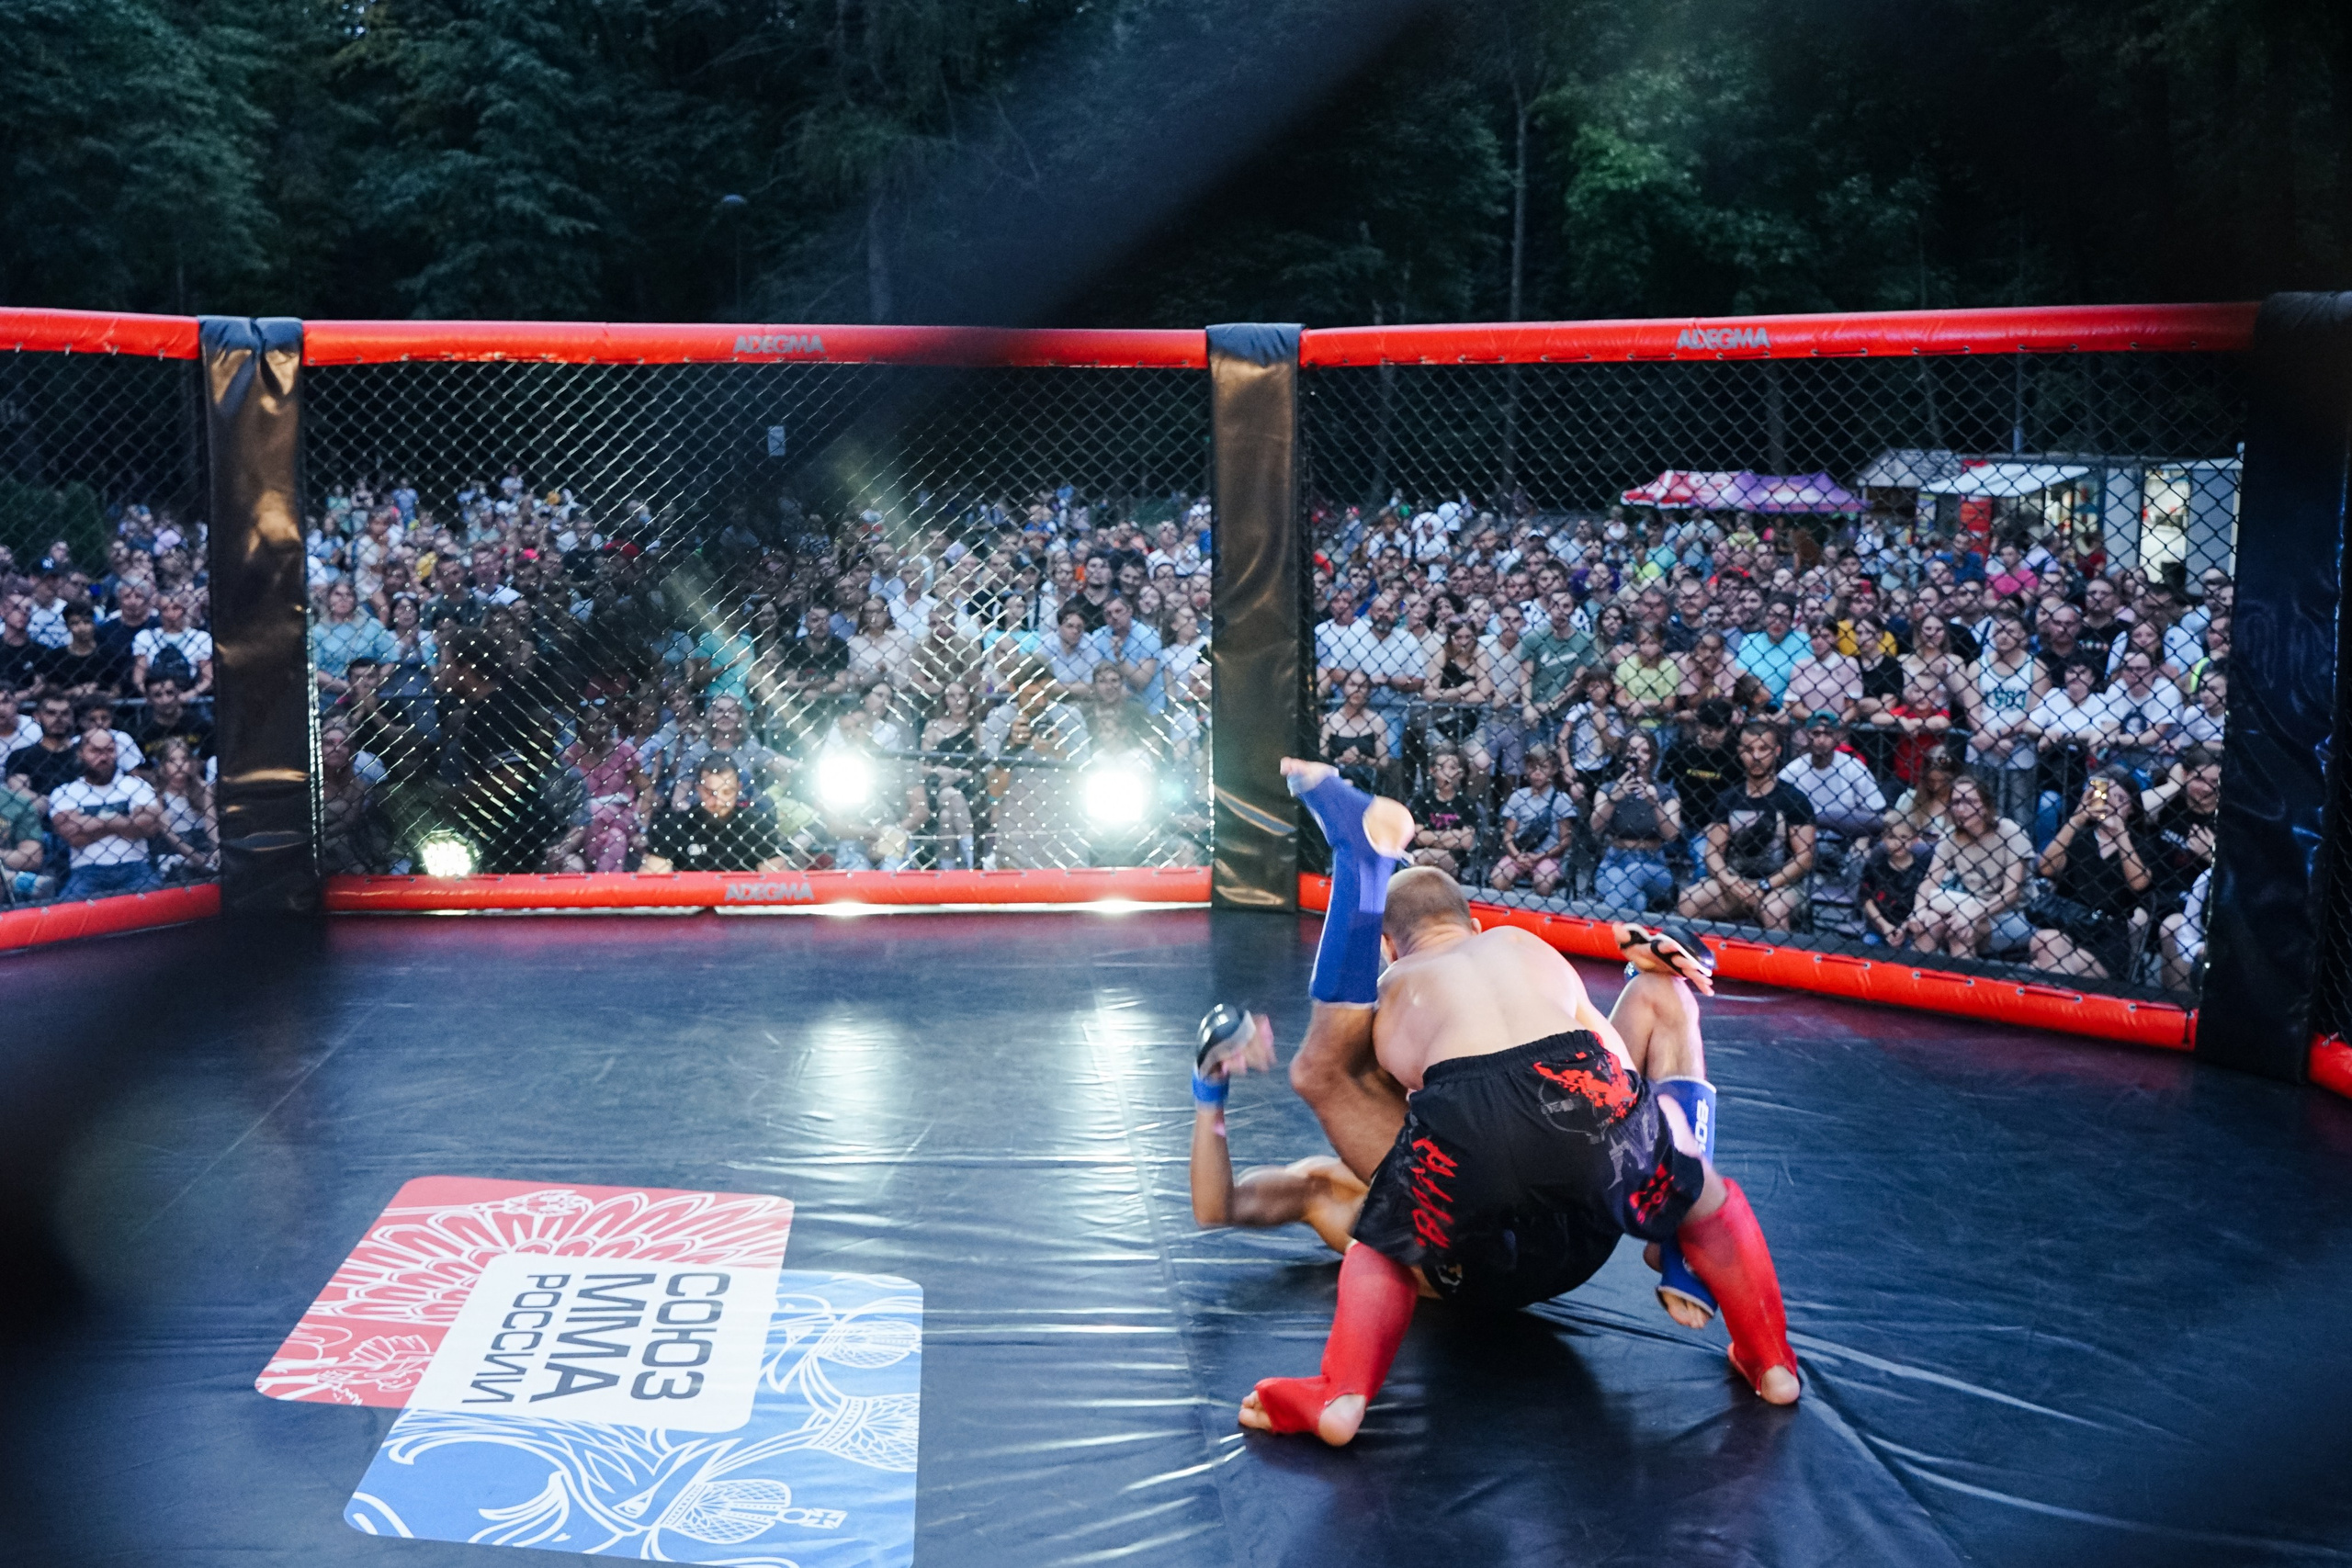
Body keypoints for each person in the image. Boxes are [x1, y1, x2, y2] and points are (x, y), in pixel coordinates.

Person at [1225, 766, 1795, 1446]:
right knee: (1706, 1190)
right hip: (1583, 1108)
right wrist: (1663, 1162)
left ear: (1386, 947)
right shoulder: (1527, 947)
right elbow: (1608, 1055)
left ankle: (1341, 1393)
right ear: (1474, 921)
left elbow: (1355, 1078)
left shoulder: (1394, 986)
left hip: (1470, 1140)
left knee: (1383, 1244)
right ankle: (1772, 1361)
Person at [1679, 724, 1815, 931]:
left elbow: (1804, 857)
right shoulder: (1729, 798)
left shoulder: (1794, 800)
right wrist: (1729, 881)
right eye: (1749, 749)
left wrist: (1765, 885)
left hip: (1782, 886)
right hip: (1737, 882)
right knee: (1688, 899)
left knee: (1773, 909)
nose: (1756, 756)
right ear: (1740, 752)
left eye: (1763, 749)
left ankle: (1779, 964)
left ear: (1777, 751)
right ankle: (1698, 961)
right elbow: (1713, 851)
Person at [2029, 770, 2152, 981]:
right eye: (2107, 796)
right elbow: (2046, 868)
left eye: (2120, 799)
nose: (2112, 804)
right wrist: (2076, 820)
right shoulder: (2079, 836)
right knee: (2044, 940)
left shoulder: (2139, 844)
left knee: (2038, 967)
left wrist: (2120, 834)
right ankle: (2064, 1007)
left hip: (2108, 936)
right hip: (2069, 922)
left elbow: (2139, 883)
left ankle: (2056, 1003)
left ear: (2132, 809)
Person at [1909, 773, 2030, 957]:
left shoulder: (2011, 832)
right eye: (1956, 802)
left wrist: (1972, 915)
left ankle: (1962, 985)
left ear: (1985, 806)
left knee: (1961, 930)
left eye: (1970, 802)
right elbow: (1930, 881)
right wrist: (1918, 910)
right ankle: (1913, 980)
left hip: (2011, 914)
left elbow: (2012, 892)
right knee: (1930, 921)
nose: (1961, 809)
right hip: (1967, 906)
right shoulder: (1951, 837)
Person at [49, 728, 164, 899]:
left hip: (136, 866)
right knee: (65, 910)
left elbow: (149, 827)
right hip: (87, 871)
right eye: (95, 751)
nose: (103, 757)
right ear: (81, 754)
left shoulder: (136, 785)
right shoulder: (65, 792)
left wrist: (91, 824)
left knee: (159, 904)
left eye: (109, 750)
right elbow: (73, 837)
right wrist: (120, 822)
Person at [641, 754, 795, 874]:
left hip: (742, 908)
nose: (719, 801)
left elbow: (779, 886)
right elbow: (649, 883)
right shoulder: (673, 827)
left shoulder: (757, 826)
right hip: (689, 906)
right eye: (710, 792)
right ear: (699, 789)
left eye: (727, 792)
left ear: (739, 789)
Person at [1589, 729, 1682, 913]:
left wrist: (1655, 804)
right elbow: (1595, 827)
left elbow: (1672, 835)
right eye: (1631, 751)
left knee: (1635, 871)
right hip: (1614, 860)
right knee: (1637, 900)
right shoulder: (1608, 789)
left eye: (1644, 751)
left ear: (1653, 758)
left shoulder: (1666, 793)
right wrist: (1613, 799)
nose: (1637, 756)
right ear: (1624, 756)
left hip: (1653, 864)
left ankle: (1606, 930)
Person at [1778, 713, 1885, 840]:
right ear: (1807, 736)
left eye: (1828, 733)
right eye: (1816, 733)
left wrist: (1863, 840)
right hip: (1803, 839)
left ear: (1837, 737)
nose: (1821, 740)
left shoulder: (1853, 767)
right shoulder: (1793, 770)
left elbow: (1876, 810)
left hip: (1846, 838)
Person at [1486, 746, 1575, 897]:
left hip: (1548, 856)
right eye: (1532, 767)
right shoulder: (1518, 797)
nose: (1537, 772)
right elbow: (1508, 835)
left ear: (1553, 770)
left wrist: (1540, 856)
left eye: (1543, 767)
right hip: (1520, 854)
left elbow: (1565, 841)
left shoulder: (1561, 800)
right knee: (1498, 879)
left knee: (1543, 883)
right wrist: (1517, 856)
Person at [1403, 746, 1482, 880]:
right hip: (1422, 854)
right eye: (1441, 767)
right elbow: (1419, 838)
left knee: (1422, 856)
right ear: (1432, 771)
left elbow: (1466, 842)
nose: (1447, 773)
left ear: (1461, 773)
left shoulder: (1467, 804)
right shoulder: (1421, 800)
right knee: (1419, 856)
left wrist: (1432, 839)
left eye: (1453, 768)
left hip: (1453, 860)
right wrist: (1455, 835)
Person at [1321, 671, 1389, 794]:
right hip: (1336, 782)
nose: (1357, 690)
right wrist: (1339, 760)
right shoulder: (1329, 720)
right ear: (1343, 688)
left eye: (1362, 686)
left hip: (1366, 785)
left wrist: (1363, 759)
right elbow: (1321, 758)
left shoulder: (1377, 722)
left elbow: (1383, 764)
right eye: (1352, 684)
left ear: (1368, 691)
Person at [1858, 829, 1929, 947]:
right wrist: (1885, 926)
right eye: (1892, 837)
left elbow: (1924, 901)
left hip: (1911, 930)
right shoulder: (1876, 865)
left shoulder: (1922, 869)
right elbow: (1866, 899)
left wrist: (1904, 928)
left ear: (1915, 839)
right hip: (1878, 928)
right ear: (1883, 839)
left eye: (1904, 837)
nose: (1898, 842)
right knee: (1868, 945)